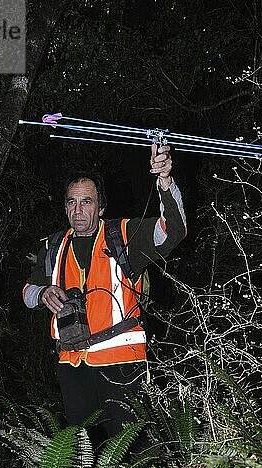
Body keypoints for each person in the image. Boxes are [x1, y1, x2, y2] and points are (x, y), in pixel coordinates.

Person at [23, 144, 186, 435]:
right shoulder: (53, 247)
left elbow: (173, 231)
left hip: (121, 363)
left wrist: (164, 181)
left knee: (128, 449)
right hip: (72, 363)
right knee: (81, 452)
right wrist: (42, 293)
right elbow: (27, 292)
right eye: (71, 202)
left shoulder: (123, 236)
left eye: (86, 202)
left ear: (101, 206)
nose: (78, 210)